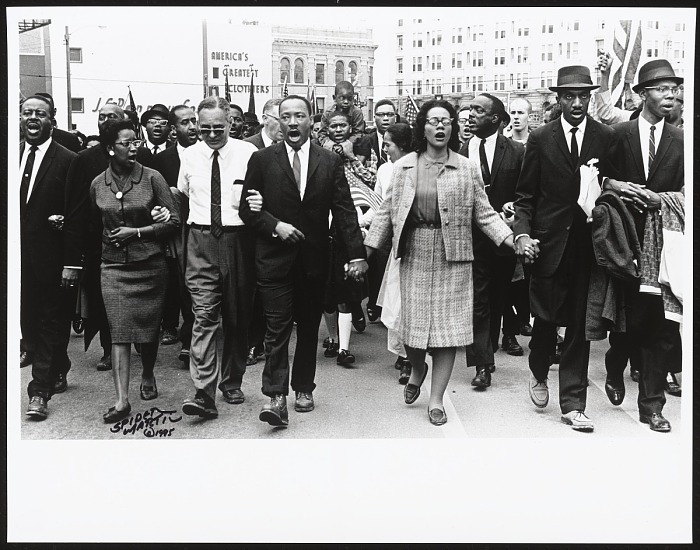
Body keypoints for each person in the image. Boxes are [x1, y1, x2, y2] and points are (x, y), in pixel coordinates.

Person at [364, 99, 516, 426]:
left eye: (446, 121)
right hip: (414, 249)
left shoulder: (466, 167)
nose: (440, 126)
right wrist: (363, 253)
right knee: (414, 327)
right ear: (423, 127)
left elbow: (485, 213)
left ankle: (436, 399)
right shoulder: (405, 166)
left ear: (453, 127)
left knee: (448, 330)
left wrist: (511, 239)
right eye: (433, 121)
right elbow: (387, 212)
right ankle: (417, 368)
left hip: (454, 254)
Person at [239, 95, 368, 427]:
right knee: (277, 328)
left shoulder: (328, 161)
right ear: (279, 122)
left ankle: (303, 387)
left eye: (299, 116)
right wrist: (274, 226)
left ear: (312, 121)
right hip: (273, 259)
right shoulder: (262, 160)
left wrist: (356, 254)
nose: (292, 122)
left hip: (314, 260)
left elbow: (343, 211)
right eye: (286, 117)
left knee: (309, 327)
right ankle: (276, 396)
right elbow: (246, 210)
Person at [513, 65, 618, 432]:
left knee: (578, 324)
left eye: (583, 96)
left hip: (588, 248)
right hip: (547, 246)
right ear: (558, 99)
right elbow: (525, 196)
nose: (576, 103)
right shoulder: (541, 138)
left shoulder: (606, 137)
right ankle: (539, 370)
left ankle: (573, 403)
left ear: (590, 98)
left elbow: (612, 190)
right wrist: (523, 235)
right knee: (544, 320)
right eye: (569, 97)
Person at [600, 59, 684, 432]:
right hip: (625, 242)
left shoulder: (683, 141)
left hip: (666, 246)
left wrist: (662, 200)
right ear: (642, 94)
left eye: (674, 89)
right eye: (662, 88)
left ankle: (652, 406)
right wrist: (615, 186)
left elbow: (688, 192)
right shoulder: (618, 134)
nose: (670, 95)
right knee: (628, 322)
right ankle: (615, 367)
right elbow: (596, 177)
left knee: (662, 325)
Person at [89, 119, 180, 423]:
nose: (132, 148)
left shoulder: (153, 178)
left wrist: (138, 232)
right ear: (109, 149)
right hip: (113, 268)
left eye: (135, 142)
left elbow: (173, 221)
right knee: (119, 331)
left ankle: (149, 373)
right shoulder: (97, 184)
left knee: (148, 329)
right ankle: (121, 400)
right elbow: (94, 225)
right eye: (125, 143)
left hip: (151, 266)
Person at [177, 97, 259, 419]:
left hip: (238, 240)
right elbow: (184, 194)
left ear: (230, 124)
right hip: (201, 240)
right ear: (198, 125)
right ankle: (203, 392)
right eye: (205, 128)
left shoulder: (247, 153)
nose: (211, 134)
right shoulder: (190, 156)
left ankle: (232, 380)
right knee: (204, 316)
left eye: (219, 128)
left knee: (237, 316)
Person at [66, 102, 153, 372]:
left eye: (111, 117)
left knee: (142, 304)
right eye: (101, 117)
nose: (105, 121)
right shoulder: (85, 159)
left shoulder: (142, 155)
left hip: (140, 243)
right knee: (106, 301)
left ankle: (141, 345)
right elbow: (78, 208)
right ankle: (108, 348)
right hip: (100, 244)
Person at [20, 95, 81, 419]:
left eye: (40, 114)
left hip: (52, 259)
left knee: (48, 322)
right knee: (29, 323)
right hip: (18, 262)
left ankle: (38, 392)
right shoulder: (12, 153)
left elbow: (75, 217)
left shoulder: (68, 160)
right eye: (27, 113)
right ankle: (60, 364)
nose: (32, 118)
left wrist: (72, 263)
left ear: (52, 121)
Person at [459, 94, 524, 388]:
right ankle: (481, 364)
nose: (471, 115)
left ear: (495, 119)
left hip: (503, 238)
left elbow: (526, 193)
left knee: (498, 297)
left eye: (478, 110)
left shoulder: (516, 152)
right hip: (470, 237)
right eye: (470, 109)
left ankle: (490, 350)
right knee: (478, 299)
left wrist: (514, 209)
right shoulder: (458, 152)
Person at [324, 110, 381, 366]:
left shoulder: (361, 146)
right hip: (327, 223)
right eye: (333, 126)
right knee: (327, 293)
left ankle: (345, 346)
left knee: (348, 285)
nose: (338, 130)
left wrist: (350, 158)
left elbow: (371, 179)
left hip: (355, 217)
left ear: (350, 127)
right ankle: (334, 338)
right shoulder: (319, 150)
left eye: (343, 125)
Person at [152, 105, 199, 366]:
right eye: (185, 122)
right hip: (174, 233)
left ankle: (192, 338)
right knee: (180, 286)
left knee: (197, 287)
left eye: (194, 121)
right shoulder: (162, 161)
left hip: (202, 228)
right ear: (173, 128)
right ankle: (185, 337)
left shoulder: (206, 153)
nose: (192, 127)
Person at [243, 98, 284, 366]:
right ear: (265, 119)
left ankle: (274, 344)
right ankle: (253, 343)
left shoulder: (295, 148)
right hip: (254, 232)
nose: (287, 125)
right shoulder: (247, 148)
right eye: (281, 118)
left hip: (285, 230)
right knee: (254, 292)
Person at [373, 122, 414, 384]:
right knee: (397, 302)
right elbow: (381, 207)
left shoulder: (419, 166)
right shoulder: (386, 169)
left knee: (410, 304)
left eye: (388, 144)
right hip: (396, 246)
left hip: (417, 246)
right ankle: (404, 353)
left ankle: (412, 358)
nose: (385, 149)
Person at [317, 81, 365, 149]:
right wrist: (332, 145)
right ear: (334, 98)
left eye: (349, 98)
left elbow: (358, 133)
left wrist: (343, 146)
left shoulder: (356, 112)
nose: (346, 102)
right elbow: (322, 133)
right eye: (342, 98)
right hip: (331, 145)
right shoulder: (328, 112)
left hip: (351, 145)